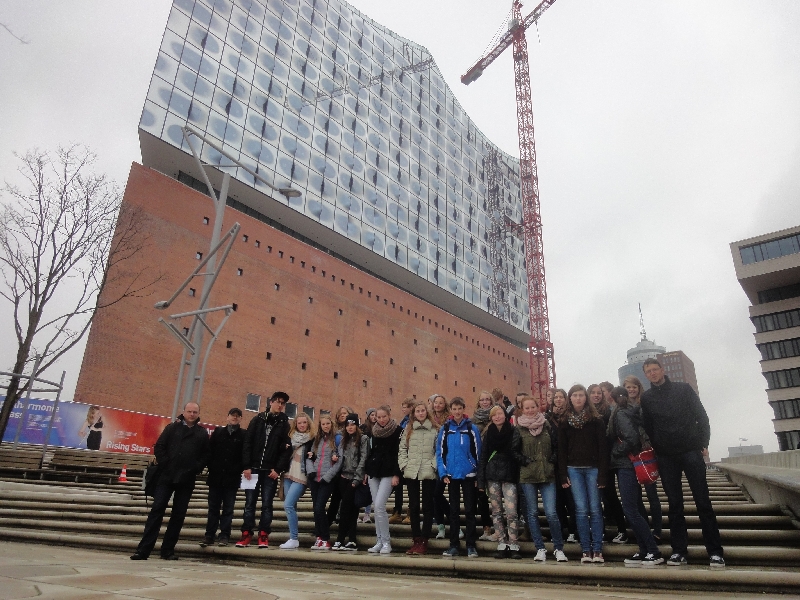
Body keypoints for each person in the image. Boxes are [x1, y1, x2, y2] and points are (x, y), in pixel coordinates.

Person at [640, 358, 725, 568]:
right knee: (674, 504)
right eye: (648, 371)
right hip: (666, 456)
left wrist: (703, 443)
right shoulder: (647, 398)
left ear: (662, 370)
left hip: (690, 451)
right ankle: (679, 551)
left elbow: (701, 416)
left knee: (703, 502)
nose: (652, 373)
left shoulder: (683, 389)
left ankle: (715, 552)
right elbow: (648, 426)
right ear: (646, 375)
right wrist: (658, 446)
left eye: (655, 369)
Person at [130, 402, 209, 560]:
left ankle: (167, 550)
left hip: (186, 479)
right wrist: (167, 464)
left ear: (198, 414)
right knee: (157, 510)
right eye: (189, 411)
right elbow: (159, 447)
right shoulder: (172, 428)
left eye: (195, 412)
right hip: (166, 476)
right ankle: (143, 550)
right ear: (184, 412)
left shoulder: (202, 433)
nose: (192, 414)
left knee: (178, 515)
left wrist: (195, 468)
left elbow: (206, 455)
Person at [608, 387, 664, 567]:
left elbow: (631, 438)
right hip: (632, 463)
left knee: (631, 510)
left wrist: (616, 452)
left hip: (626, 464)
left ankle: (653, 551)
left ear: (612, 399)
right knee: (636, 508)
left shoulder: (620, 413)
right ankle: (644, 550)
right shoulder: (632, 410)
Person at [235, 391, 292, 549]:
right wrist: (246, 466)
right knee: (249, 503)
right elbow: (247, 442)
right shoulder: (258, 419)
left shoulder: (284, 424)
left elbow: (287, 449)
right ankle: (246, 533)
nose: (280, 405)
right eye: (277, 401)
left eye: (283, 403)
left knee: (267, 504)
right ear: (271, 402)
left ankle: (263, 534)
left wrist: (278, 469)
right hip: (252, 469)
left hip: (269, 471)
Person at [558, 384, 608, 564]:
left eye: (581, 395)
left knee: (595, 509)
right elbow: (561, 450)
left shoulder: (596, 420)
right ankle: (586, 549)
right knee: (580, 510)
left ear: (586, 398)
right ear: (570, 398)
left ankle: (597, 549)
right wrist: (562, 474)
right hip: (573, 469)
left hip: (593, 469)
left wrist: (603, 474)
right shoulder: (564, 421)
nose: (578, 398)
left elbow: (603, 449)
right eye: (575, 395)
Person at [517, 396, 567, 562]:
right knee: (532, 513)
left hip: (547, 474)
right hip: (528, 475)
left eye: (533, 407)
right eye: (527, 408)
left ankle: (558, 548)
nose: (530, 410)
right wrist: (525, 461)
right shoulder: (519, 428)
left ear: (538, 407)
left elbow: (556, 446)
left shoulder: (547, 425)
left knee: (551, 513)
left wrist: (551, 460)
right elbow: (514, 451)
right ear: (522, 410)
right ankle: (540, 548)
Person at [437, 397, 481, 558]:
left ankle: (471, 545)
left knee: (470, 510)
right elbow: (440, 452)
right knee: (454, 511)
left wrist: (478, 474)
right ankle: (454, 545)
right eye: (454, 409)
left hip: (469, 474)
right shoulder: (445, 429)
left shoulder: (471, 428)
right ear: (451, 410)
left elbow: (478, 452)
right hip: (451, 475)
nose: (457, 412)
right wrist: (443, 472)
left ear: (463, 409)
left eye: (459, 408)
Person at [478, 405, 522, 559]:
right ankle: (502, 542)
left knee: (511, 512)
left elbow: (516, 453)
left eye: (500, 414)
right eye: (494, 415)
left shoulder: (513, 431)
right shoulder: (488, 433)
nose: (497, 417)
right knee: (496, 511)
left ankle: (514, 543)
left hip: (509, 475)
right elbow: (483, 456)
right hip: (492, 475)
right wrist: (481, 481)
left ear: (505, 415)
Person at [623, 375, 662, 541]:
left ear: (639, 388)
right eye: (628, 387)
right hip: (631, 454)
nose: (631, 390)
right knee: (636, 497)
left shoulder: (645, 403)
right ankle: (645, 529)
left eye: (634, 387)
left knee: (652, 494)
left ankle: (657, 530)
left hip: (646, 451)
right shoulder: (621, 407)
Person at [589, 383, 627, 545]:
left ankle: (622, 530)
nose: (596, 395)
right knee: (595, 498)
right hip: (590, 461)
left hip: (606, 460)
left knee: (610, 495)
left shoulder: (608, 412)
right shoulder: (585, 413)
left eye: (599, 392)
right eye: (593, 392)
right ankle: (601, 531)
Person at [399, 400, 439, 555]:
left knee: (428, 506)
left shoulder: (435, 429)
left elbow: (439, 450)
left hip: (428, 470)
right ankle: (416, 539)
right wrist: (404, 465)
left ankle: (424, 540)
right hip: (412, 470)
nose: (420, 413)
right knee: (413, 506)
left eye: (423, 410)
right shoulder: (408, 429)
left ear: (426, 412)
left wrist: (433, 465)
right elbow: (402, 448)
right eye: (418, 411)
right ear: (414, 414)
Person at [201, 407, 244, 548]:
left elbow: (245, 454)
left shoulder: (243, 435)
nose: (235, 417)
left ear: (240, 419)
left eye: (237, 416)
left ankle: (224, 535)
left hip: (232, 478)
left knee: (228, 509)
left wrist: (238, 469)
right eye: (232, 415)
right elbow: (209, 450)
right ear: (227, 417)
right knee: (213, 508)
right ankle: (209, 535)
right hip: (216, 477)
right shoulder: (218, 432)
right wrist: (212, 466)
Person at [366, 405, 402, 554]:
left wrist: (397, 474)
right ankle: (379, 541)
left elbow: (400, 453)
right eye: (378, 417)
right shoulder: (374, 431)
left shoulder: (398, 431)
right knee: (376, 507)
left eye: (384, 417)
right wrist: (367, 471)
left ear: (389, 415)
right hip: (374, 472)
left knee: (380, 505)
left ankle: (386, 542)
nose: (381, 420)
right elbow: (372, 451)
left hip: (389, 472)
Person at [333, 413, 369, 551]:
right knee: (352, 510)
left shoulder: (363, 439)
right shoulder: (344, 439)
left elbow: (363, 459)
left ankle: (340, 539)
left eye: (352, 424)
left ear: (357, 425)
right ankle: (352, 540)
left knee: (345, 508)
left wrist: (357, 479)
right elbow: (338, 454)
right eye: (348, 425)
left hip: (355, 478)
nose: (350, 427)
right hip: (343, 477)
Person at [280, 412, 315, 550]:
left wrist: (313, 455)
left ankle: (294, 538)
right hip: (288, 474)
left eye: (304, 422)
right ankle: (292, 537)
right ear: (295, 424)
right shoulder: (290, 438)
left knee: (288, 505)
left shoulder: (312, 438)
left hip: (301, 475)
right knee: (291, 507)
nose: (302, 425)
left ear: (308, 423)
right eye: (299, 423)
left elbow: (317, 455)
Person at [307, 414, 341, 550]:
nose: (325, 426)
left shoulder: (337, 439)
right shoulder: (317, 439)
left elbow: (340, 460)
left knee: (319, 507)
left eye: (328, 423)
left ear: (331, 424)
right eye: (323, 424)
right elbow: (309, 456)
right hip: (315, 478)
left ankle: (326, 539)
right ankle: (319, 537)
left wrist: (328, 476)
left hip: (327, 479)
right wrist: (311, 471)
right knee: (316, 509)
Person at [550, 388, 577, 544]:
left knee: (571, 500)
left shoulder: (571, 417)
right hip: (554, 465)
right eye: (556, 397)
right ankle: (562, 529)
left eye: (561, 397)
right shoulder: (548, 418)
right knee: (558, 501)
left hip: (570, 462)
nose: (558, 400)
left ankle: (573, 531)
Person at [427, 394, 452, 539]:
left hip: (444, 460)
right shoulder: (428, 418)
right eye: (435, 402)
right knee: (434, 496)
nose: (437, 405)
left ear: (445, 405)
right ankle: (441, 527)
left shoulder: (449, 420)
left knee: (436, 494)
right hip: (431, 460)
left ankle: (453, 523)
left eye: (440, 403)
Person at [472, 390, 495, 541]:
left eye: (487, 399)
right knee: (481, 497)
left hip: (494, 462)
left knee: (495, 497)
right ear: (478, 402)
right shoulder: (474, 421)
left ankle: (499, 529)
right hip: (478, 462)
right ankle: (486, 527)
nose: (485, 402)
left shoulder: (497, 417)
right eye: (482, 400)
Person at [326, 405, 354, 526]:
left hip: (348, 468)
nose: (343, 415)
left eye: (345, 413)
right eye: (341, 413)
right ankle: (327, 523)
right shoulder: (334, 430)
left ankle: (344, 523)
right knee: (335, 498)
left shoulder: (353, 430)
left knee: (346, 498)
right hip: (335, 467)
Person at [390, 397, 414, 525]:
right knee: (398, 485)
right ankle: (397, 511)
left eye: (405, 407)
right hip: (401, 456)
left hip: (411, 458)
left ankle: (411, 512)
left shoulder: (413, 422)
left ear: (411, 408)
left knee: (410, 487)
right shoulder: (403, 421)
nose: (403, 409)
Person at [359, 407, 378, 523]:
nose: (374, 417)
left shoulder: (379, 428)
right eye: (372, 415)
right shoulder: (363, 428)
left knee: (370, 491)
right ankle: (356, 514)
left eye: (375, 415)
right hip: (364, 459)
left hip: (373, 461)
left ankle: (367, 514)